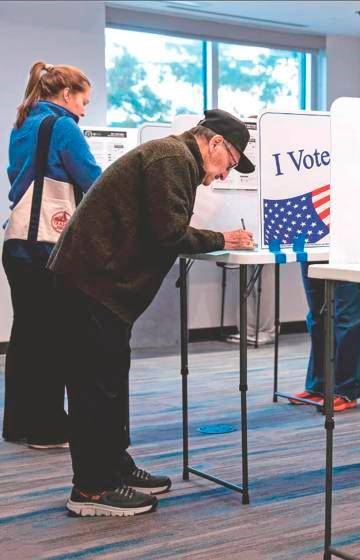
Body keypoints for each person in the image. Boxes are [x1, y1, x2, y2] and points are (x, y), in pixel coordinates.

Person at [47, 108, 255, 517]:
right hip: (90, 285)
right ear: (214, 143)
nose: (226, 175)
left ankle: (114, 468)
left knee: (110, 384)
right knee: (95, 389)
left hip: (97, 286)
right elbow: (168, 234)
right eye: (229, 162)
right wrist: (223, 237)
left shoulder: (173, 158)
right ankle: (91, 490)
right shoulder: (172, 159)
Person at [3, 61, 102, 449]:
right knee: (54, 338)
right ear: (66, 95)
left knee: (27, 335)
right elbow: (93, 179)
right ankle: (47, 429)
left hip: (16, 242)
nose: (84, 109)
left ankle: (19, 424)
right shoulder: (62, 126)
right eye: (84, 101)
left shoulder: (23, 123)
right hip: (46, 242)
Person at [289, 266, 360, 412]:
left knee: (351, 316)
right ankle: (320, 386)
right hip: (315, 246)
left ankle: (347, 390)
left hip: (353, 252)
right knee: (318, 316)